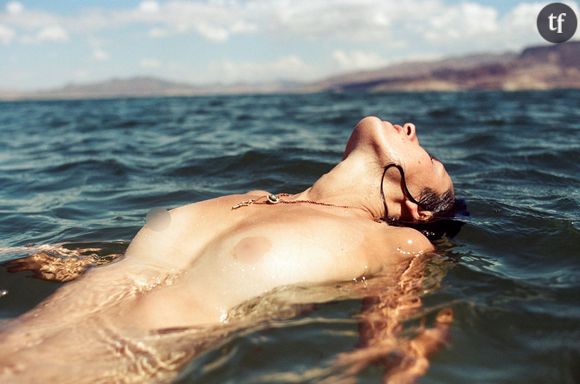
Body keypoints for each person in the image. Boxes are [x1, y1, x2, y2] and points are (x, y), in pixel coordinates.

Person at [0, 116, 455, 383]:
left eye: (431, 160)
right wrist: (64, 263)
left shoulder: (399, 241)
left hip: (93, 370)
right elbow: (142, 272)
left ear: (419, 209)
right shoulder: (256, 197)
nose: (411, 127)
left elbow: (385, 336)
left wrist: (401, 363)